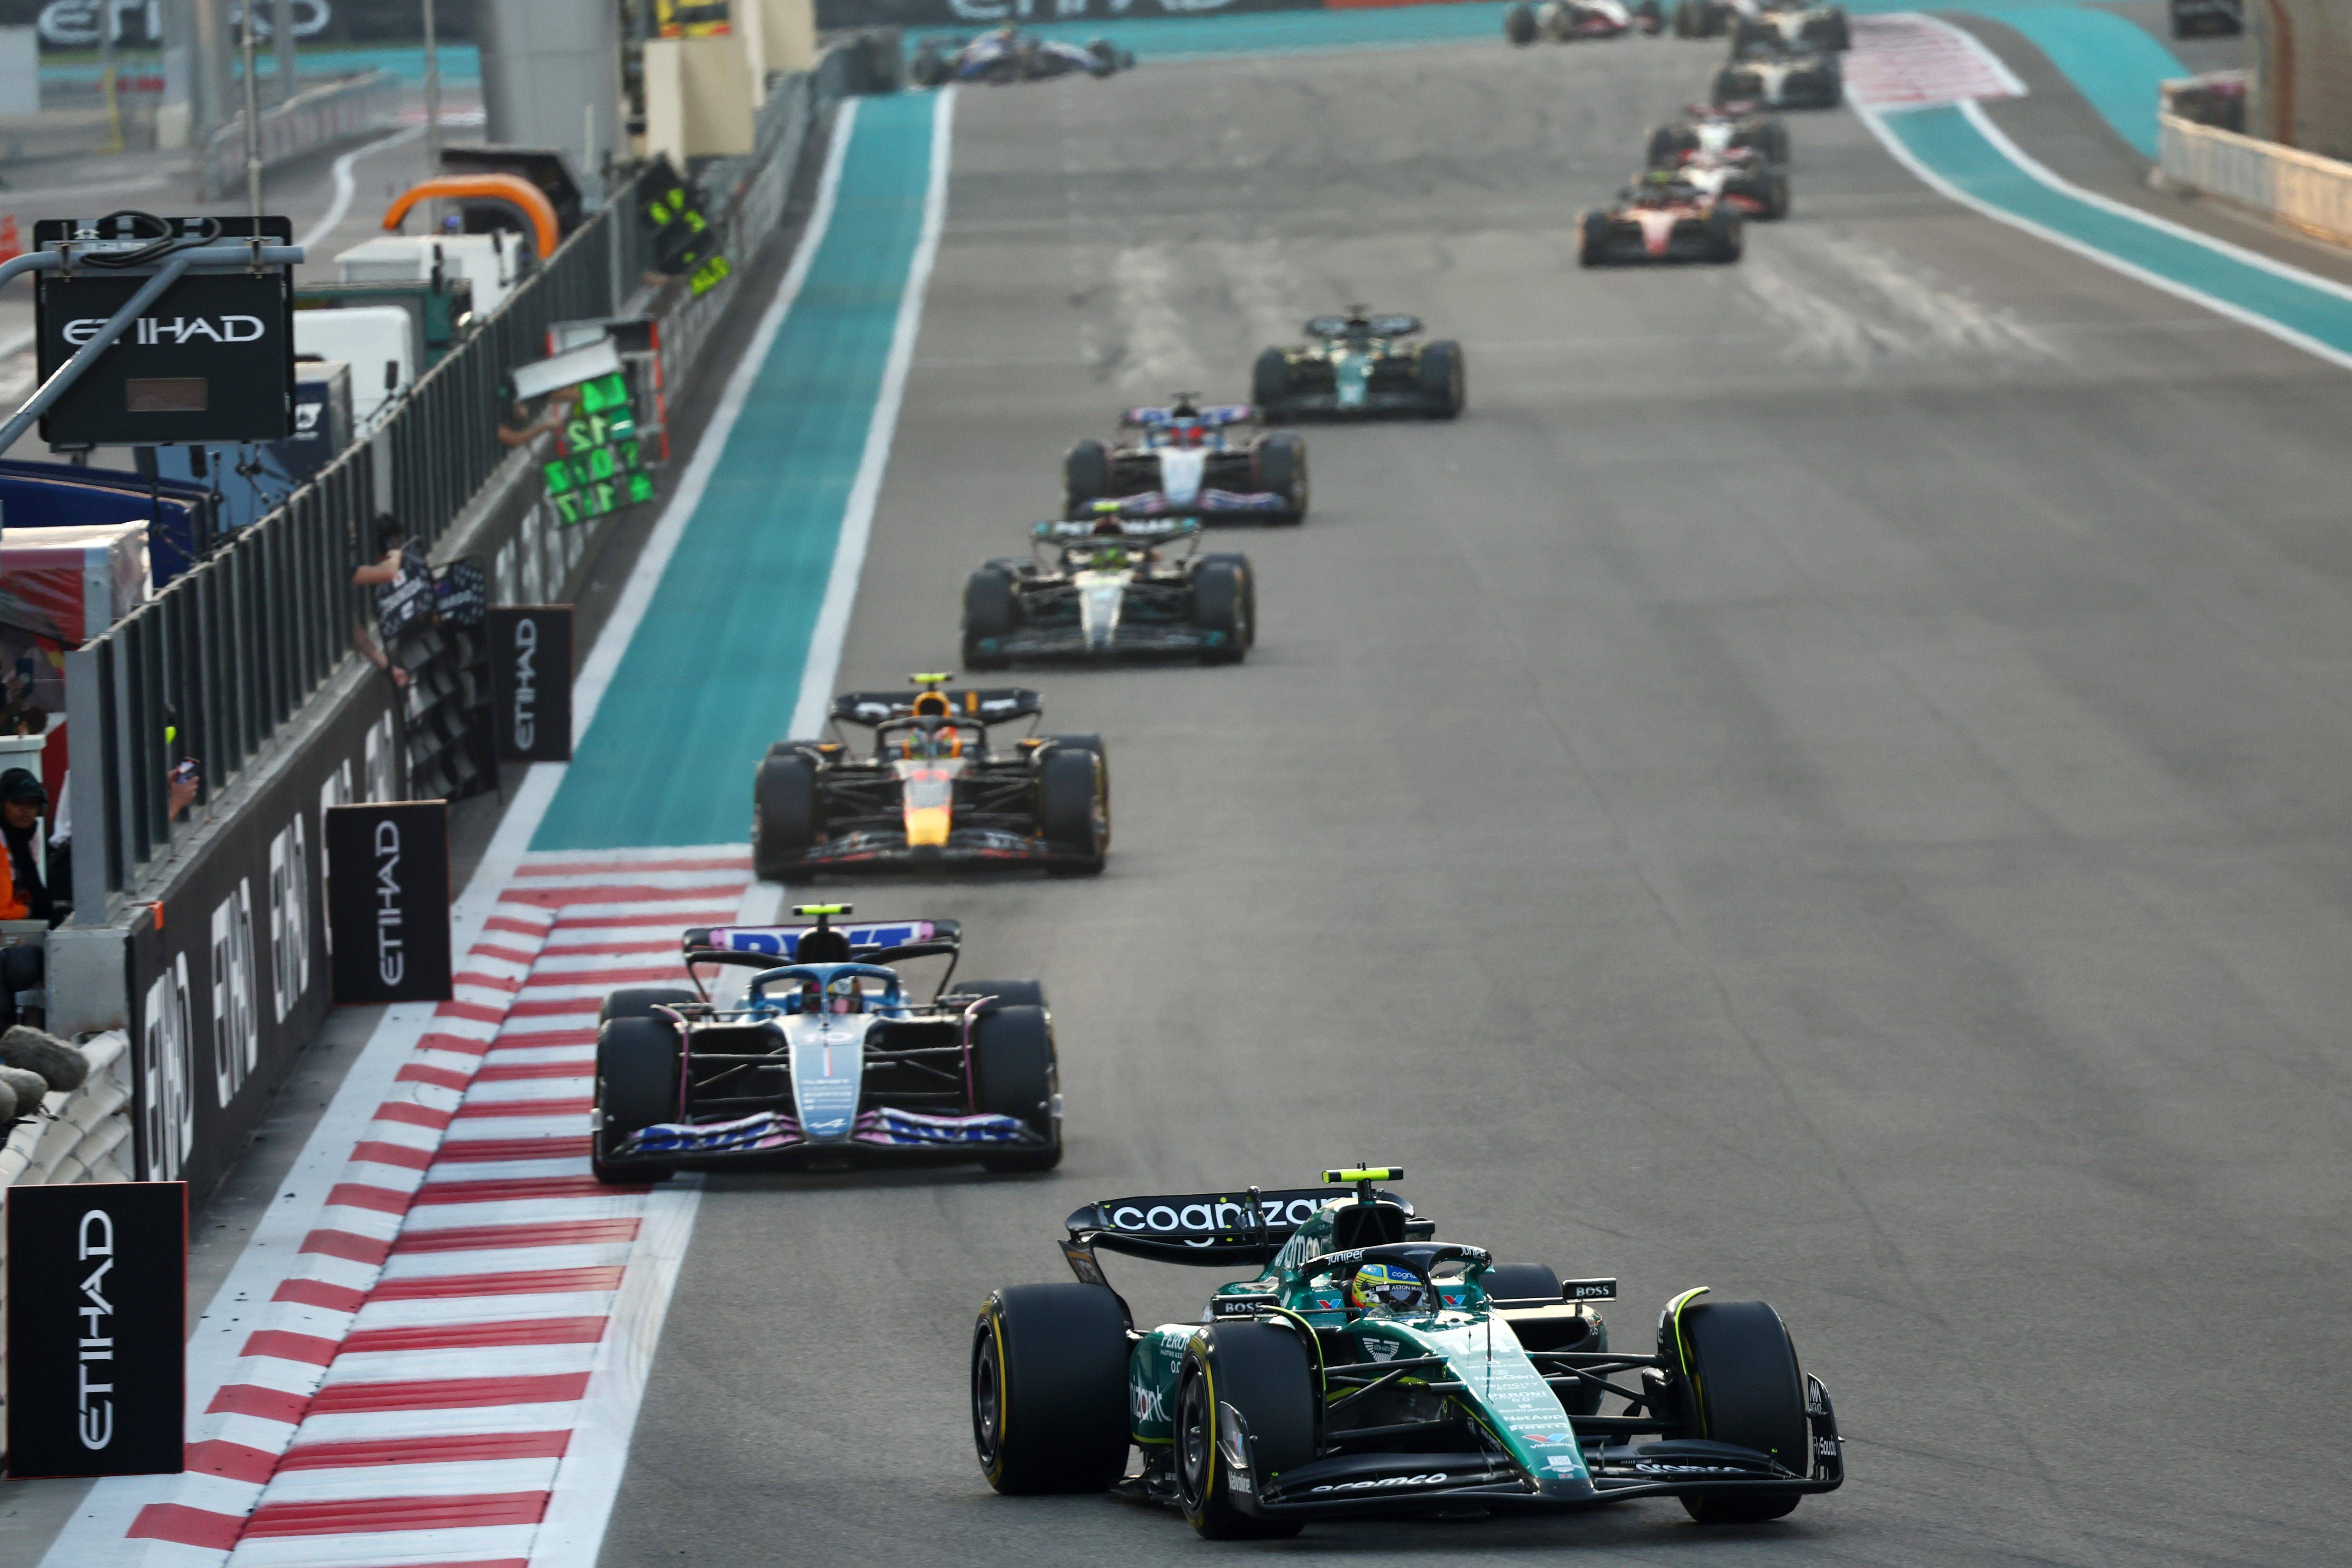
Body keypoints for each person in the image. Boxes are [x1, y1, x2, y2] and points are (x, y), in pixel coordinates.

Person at [351, 514, 420, 690]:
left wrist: (389, 668)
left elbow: (354, 631)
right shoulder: (343, 567)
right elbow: (388, 573)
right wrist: (396, 555)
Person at [0, 769, 52, 925]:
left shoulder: (32, 837)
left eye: (32, 804)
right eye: (17, 803)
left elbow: (25, 891)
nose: (25, 810)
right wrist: (30, 912)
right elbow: (2, 911)